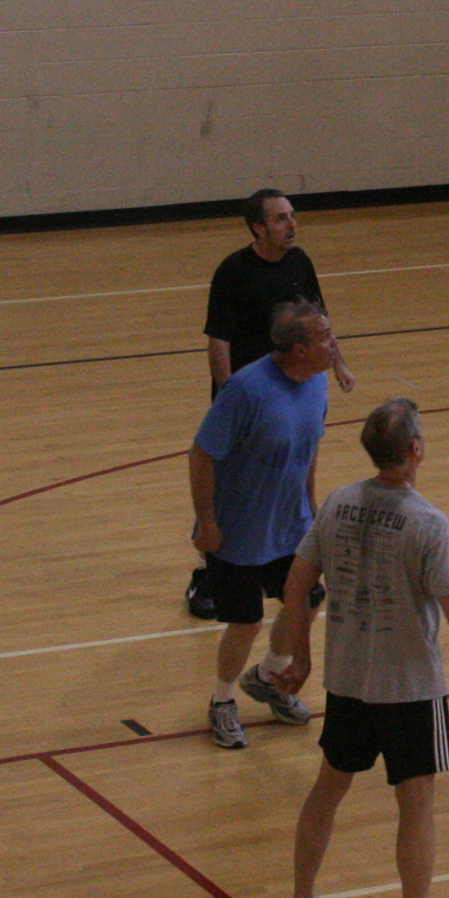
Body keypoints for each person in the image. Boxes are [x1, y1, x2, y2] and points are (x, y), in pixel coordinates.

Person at [267, 398, 449, 898]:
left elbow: (296, 589)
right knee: (416, 807)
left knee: (328, 788)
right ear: (416, 448)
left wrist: (301, 660)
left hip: (349, 680)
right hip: (410, 689)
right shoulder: (427, 522)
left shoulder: (340, 503)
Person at [189, 188, 355, 619]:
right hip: (247, 398)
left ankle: (280, 567)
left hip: (294, 390)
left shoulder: (300, 263)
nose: (292, 225)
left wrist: (338, 366)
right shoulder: (234, 271)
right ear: (258, 228)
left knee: (287, 477)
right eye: (280, 219)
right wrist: (230, 395)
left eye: (292, 216)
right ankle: (211, 574)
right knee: (235, 491)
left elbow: (322, 323)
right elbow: (219, 338)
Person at [189, 302, 335, 748]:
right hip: (237, 531)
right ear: (299, 348)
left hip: (291, 526)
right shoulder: (245, 391)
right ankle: (223, 700)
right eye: (325, 337)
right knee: (245, 622)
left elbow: (308, 449)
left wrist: (309, 507)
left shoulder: (317, 383)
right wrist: (207, 521)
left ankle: (269, 676)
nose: (335, 344)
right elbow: (202, 455)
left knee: (305, 604)